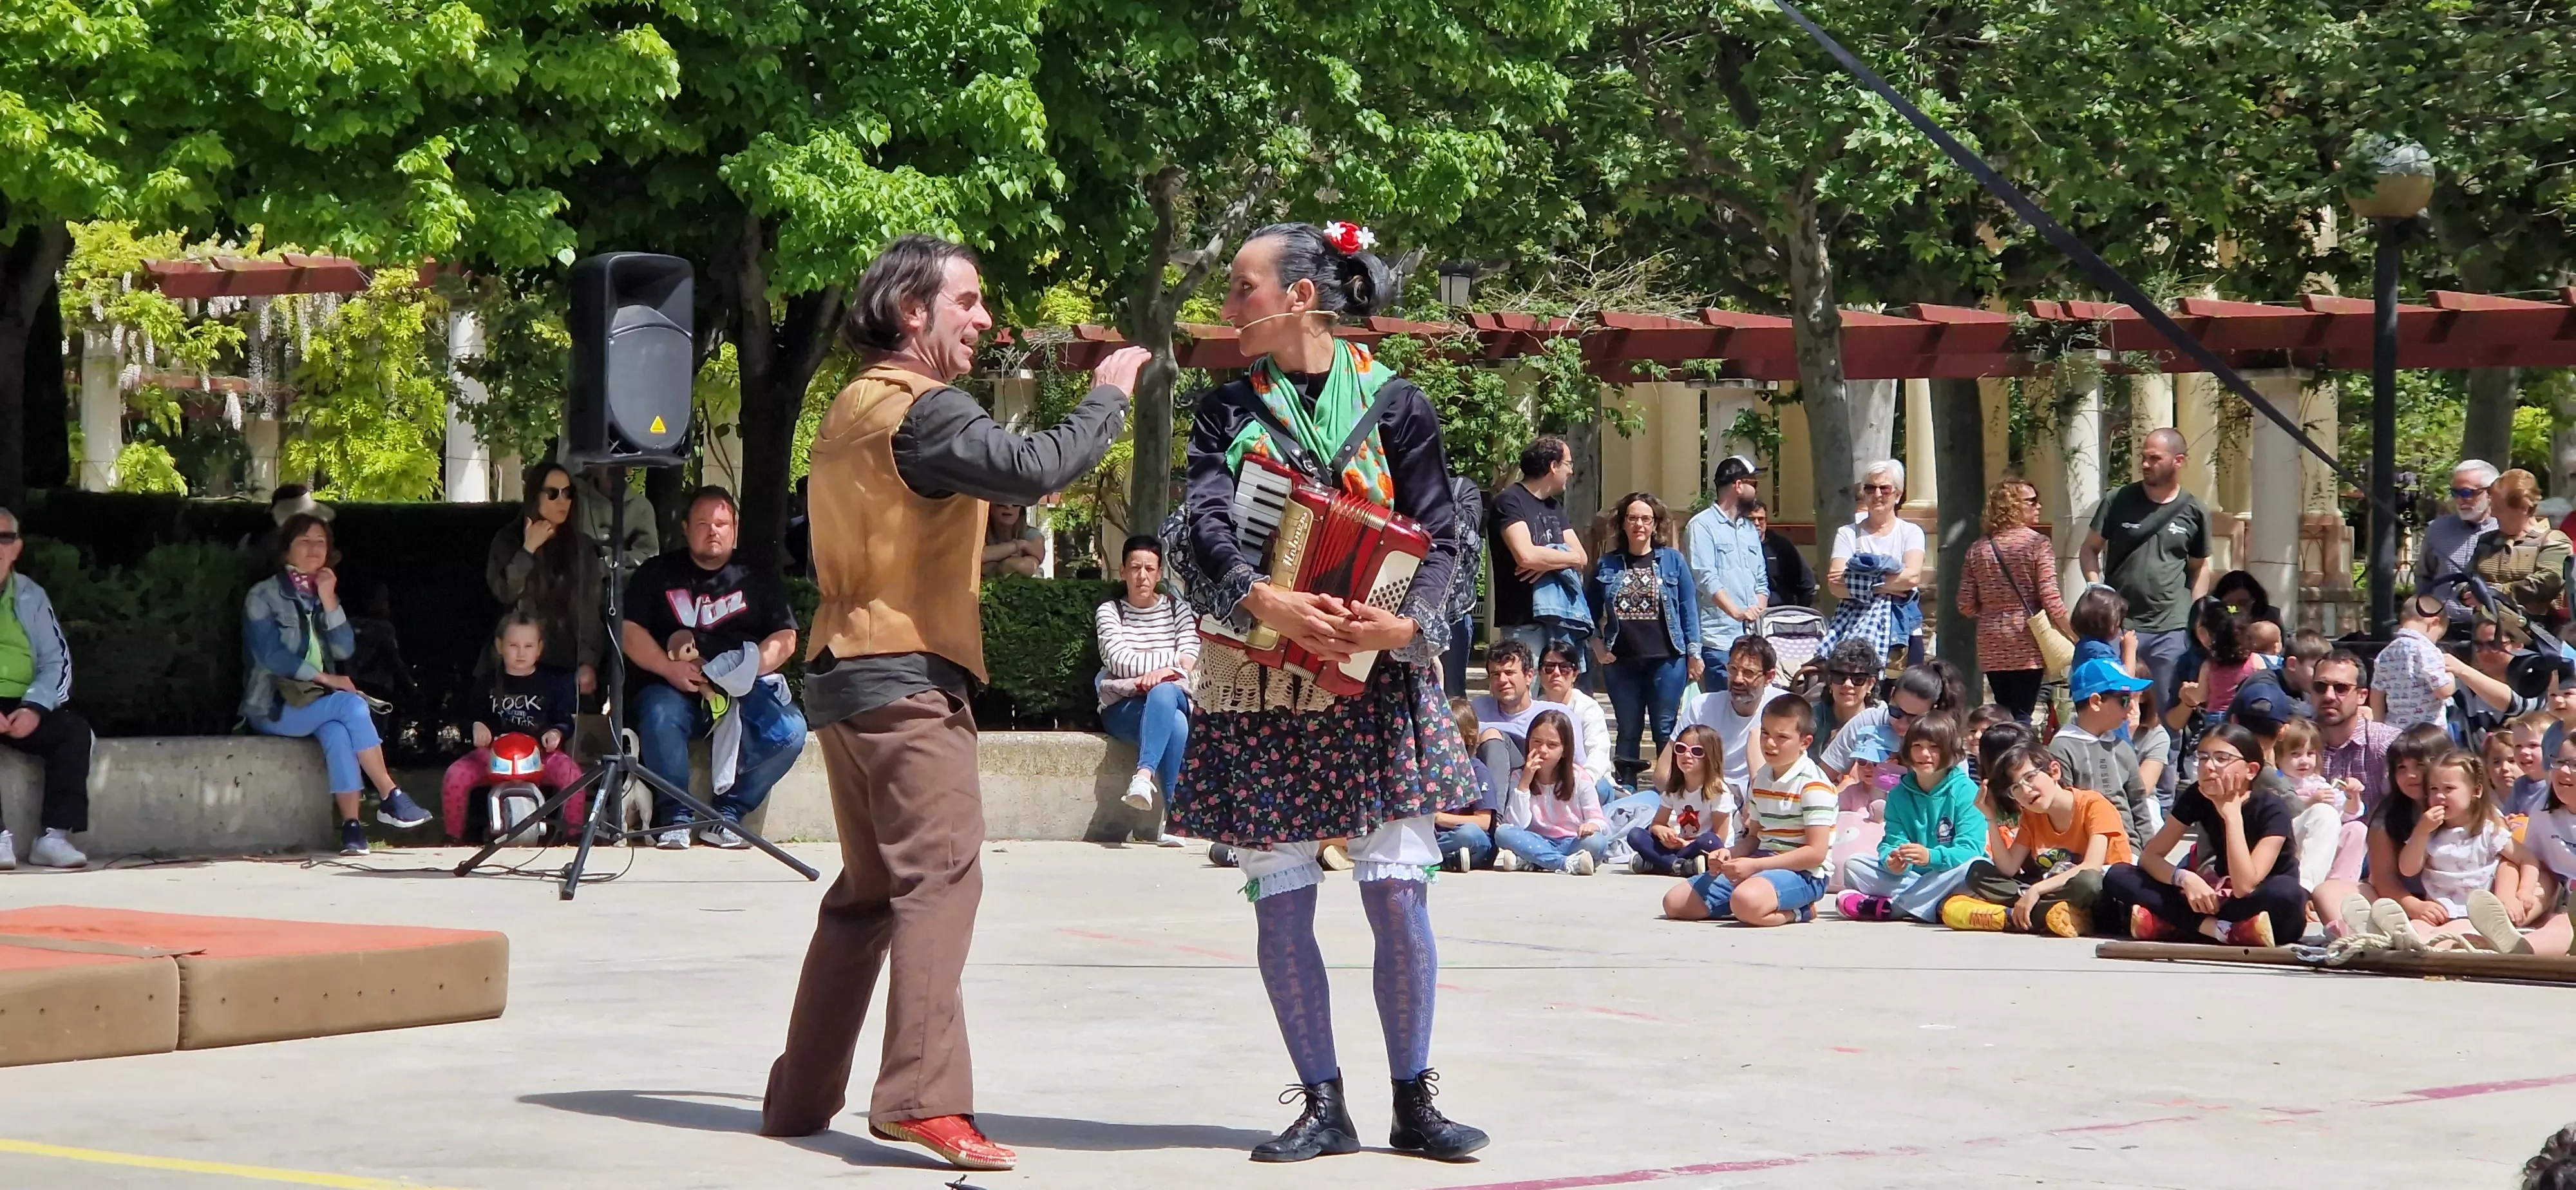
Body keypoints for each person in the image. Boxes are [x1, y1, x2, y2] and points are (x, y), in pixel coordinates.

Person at [761, 234, 1144, 1169]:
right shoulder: (924, 408)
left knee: (867, 896)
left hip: (846, 671)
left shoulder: (852, 403)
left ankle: (800, 1097)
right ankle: (920, 1098)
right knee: (939, 878)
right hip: (903, 678)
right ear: (912, 312)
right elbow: (1036, 467)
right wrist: (1109, 393)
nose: (984, 317)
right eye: (967, 301)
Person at [1160, 222, 1485, 1164]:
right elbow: (1203, 522)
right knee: (1281, 897)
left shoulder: (1396, 404)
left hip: (1374, 680)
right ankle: (1322, 1104)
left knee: (1398, 895)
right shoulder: (1227, 410)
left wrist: (1404, 628)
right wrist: (1262, 598)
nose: (1228, 306)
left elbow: (1442, 536)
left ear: (1300, 296)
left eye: (1242, 288)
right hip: (1263, 677)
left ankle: (1415, 1101)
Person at [621, 487, 806, 850]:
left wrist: (747, 671)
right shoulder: (657, 573)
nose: (713, 531)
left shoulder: (757, 575)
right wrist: (668, 669)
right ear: (686, 528)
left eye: (721, 524)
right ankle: (675, 818)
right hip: (674, 686)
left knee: (791, 731)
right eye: (703, 523)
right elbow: (629, 632)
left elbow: (785, 636)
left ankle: (727, 815)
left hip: (741, 687)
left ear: (734, 528)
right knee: (659, 713)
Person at [242, 515, 432, 856]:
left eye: (320, 542)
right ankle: (390, 794)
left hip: (314, 702)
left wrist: (329, 599)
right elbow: (271, 655)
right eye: (304, 541)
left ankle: (352, 828)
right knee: (351, 705)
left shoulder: (320, 593)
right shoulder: (263, 595)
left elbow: (344, 648)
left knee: (338, 732)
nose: (314, 548)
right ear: (286, 550)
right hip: (273, 705)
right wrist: (326, 678)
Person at [2105, 722, 2303, 946]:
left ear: (2251, 770)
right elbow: (2150, 857)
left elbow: (2245, 886)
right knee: (2119, 875)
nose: (2209, 766)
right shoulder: (2197, 795)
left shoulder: (2273, 808)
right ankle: (2221, 930)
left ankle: (2177, 924)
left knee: (2288, 894)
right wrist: (2184, 878)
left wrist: (2232, 816)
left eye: (2222, 758)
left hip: (2259, 900)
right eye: (2203, 757)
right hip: (2216, 901)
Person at [1661, 695, 1833, 927]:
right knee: (1675, 903)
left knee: (1746, 902)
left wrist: (1755, 866)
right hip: (1761, 865)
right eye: (1765, 733)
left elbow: (1816, 853)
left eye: (1782, 737)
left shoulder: (1814, 786)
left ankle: (1801, 911)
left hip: (1804, 875)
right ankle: (1749, 902)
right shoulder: (1762, 779)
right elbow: (1754, 838)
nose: (1770, 743)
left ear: (1805, 742)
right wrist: (1728, 854)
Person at [2081, 427, 2212, 724]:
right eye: (2143, 457)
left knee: (2165, 712)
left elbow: (2199, 566)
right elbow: (2089, 549)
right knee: (2113, 707)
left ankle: (2166, 758)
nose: (2145, 464)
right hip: (2119, 626)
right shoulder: (2118, 500)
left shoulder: (2194, 510)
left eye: (2155, 458)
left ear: (2178, 461)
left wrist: (2196, 615)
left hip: (2171, 627)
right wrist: (2096, 587)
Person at [1943, 742, 2132, 936]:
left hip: (2100, 896)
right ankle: (2051, 914)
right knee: (1977, 871)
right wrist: (1990, 818)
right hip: (2051, 890)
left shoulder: (2094, 805)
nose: (2025, 791)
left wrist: (2036, 891)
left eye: (2030, 777)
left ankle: (2010, 916)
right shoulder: (2032, 815)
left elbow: (2092, 866)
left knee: (2087, 881)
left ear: (2054, 771)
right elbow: (2008, 867)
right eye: (2015, 788)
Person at [2360, 750, 2533, 948]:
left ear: (2476, 791)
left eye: (2449, 789)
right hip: (2437, 912)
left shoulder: (2489, 831)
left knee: (2445, 937)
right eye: (2434, 789)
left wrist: (2525, 892)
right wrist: (2421, 832)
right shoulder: (2430, 833)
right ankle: (2389, 935)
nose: (2439, 796)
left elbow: (2527, 860)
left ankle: (2404, 943)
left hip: (2472, 915)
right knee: (2418, 928)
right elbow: (2408, 869)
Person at [1588, 491, 1701, 785]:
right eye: (1633, 518)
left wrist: (1694, 653)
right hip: (1620, 662)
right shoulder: (1607, 565)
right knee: (1628, 729)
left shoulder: (1673, 561)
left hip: (1668, 660)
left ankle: (1671, 791)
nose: (1639, 524)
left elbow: (1688, 608)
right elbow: (1587, 611)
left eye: (1646, 519)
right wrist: (1597, 644)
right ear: (1623, 523)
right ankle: (1627, 791)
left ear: (1655, 525)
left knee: (1665, 729)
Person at [440, 612, 584, 841]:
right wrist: (477, 726)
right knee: (455, 775)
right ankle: (454, 836)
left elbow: (565, 720)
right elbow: (469, 717)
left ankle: (573, 835)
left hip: (540, 755)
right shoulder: (486, 684)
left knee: (573, 775)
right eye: (513, 646)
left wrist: (556, 732)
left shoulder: (552, 685)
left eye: (528, 646)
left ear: (539, 649)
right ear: (500, 646)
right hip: (493, 755)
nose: (521, 653)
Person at [0, 507, 90, 869]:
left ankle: (54, 838)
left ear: (17, 548)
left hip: (24, 701)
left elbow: (57, 660)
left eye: (4, 539)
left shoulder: (31, 595)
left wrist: (35, 707)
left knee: (74, 733)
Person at [1834, 712, 1984, 923]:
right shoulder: (1898, 794)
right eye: (1917, 746)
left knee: (1975, 867)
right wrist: (1892, 861)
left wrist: (1931, 856)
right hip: (1913, 878)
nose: (1924, 754)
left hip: (1949, 874)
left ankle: (1894, 908)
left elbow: (1970, 849)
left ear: (1950, 750)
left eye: (1934, 747)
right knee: (1855, 865)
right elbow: (1892, 841)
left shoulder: (1966, 791)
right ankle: (1932, 905)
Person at [1095, 534, 1195, 845]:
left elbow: (1193, 658)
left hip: (1174, 695)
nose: (1142, 576)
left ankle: (1143, 777)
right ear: (1123, 571)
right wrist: (1170, 665)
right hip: (1123, 705)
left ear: (1160, 573)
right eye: (1135, 568)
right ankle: (1177, 822)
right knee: (1175, 722)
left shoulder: (1179, 610)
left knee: (1163, 693)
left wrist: (1164, 673)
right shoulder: (1110, 611)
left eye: (1150, 569)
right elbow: (1118, 660)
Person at [484, 461, 604, 699]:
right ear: (534, 496)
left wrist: (589, 662)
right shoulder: (508, 540)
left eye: (568, 493)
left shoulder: (583, 547)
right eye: (552, 493)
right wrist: (528, 550)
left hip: (569, 663)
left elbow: (591, 611)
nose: (563, 501)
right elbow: (505, 592)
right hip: (519, 662)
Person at [1956, 477, 2070, 722]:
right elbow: (2050, 598)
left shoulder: (1978, 549)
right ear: (2012, 506)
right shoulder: (2037, 544)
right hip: (2026, 638)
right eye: (2032, 501)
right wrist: (2075, 634)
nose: (2039, 506)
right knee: (2022, 715)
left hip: (1991, 640)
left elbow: (1965, 603)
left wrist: (1990, 612)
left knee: (2003, 713)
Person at [2471, 731, 2576, 954]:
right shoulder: (2542, 808)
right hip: (2561, 891)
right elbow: (2530, 859)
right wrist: (2516, 895)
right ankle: (2508, 922)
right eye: (2560, 762)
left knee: (2563, 922)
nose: (2564, 771)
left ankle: (2521, 949)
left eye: (2575, 765)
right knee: (2541, 875)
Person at [1490, 435, 1589, 667]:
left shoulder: (1554, 507)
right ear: (1553, 466)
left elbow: (1582, 557)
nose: (1571, 472)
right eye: (1568, 464)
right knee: (1523, 688)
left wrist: (1547, 563)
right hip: (1523, 622)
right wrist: (1560, 559)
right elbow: (1526, 556)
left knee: (1560, 690)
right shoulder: (1510, 501)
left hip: (1561, 620)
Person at [1821, 459, 1925, 666]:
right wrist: (1887, 586)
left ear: (1898, 495)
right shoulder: (1847, 533)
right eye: (1870, 488)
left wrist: (1858, 582)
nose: (1877, 495)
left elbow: (1912, 578)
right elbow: (1835, 585)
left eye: (1884, 489)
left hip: (1903, 632)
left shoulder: (1911, 532)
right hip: (1855, 631)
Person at [2047, 659, 2156, 851]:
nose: (2132, 708)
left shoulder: (2122, 747)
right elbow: (2063, 811)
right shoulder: (2062, 748)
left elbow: (2139, 805)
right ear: (2096, 702)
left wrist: (2150, 852)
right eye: (2124, 700)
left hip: (2130, 850)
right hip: (2086, 852)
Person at [1669, 635, 1786, 807]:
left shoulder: (1784, 708)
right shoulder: (1701, 706)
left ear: (1769, 677)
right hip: (1703, 797)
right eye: (1733, 670)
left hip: (1759, 801)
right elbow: (1663, 773)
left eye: (1748, 673)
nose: (1738, 679)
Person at [1492, 711, 1607, 874]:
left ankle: (1534, 861)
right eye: (1537, 742)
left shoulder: (1579, 777)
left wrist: (1592, 826)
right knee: (1503, 832)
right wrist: (1525, 783)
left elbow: (1599, 821)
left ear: (1565, 750)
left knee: (1598, 843)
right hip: (1536, 840)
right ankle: (1563, 863)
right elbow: (1517, 824)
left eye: (1552, 745)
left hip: (1571, 841)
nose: (1542, 750)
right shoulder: (1519, 776)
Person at [1686, 455, 1769, 665]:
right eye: (1753, 483)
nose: (1757, 490)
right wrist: (1737, 613)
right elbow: (1706, 578)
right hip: (1719, 643)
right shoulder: (1702, 526)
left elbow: (1761, 580)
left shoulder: (1749, 529)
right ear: (1738, 485)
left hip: (1753, 641)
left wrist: (1757, 612)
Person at [2473, 468, 2573, 638]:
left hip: (2534, 637)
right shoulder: (2487, 541)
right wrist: (2466, 592)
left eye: (2499, 508)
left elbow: (2548, 581)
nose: (2493, 514)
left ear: (2524, 509)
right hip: (2485, 636)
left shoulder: (2552, 541)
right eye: (2492, 507)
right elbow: (2469, 577)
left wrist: (2496, 592)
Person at [1628, 724, 1732, 876]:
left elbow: (1720, 837)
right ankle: (1680, 866)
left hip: (1705, 847)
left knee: (1709, 840)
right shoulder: (1674, 788)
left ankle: (1660, 864)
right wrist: (1663, 832)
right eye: (1681, 749)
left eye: (1697, 751)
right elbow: (1657, 824)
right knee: (1636, 835)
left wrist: (1687, 844)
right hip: (1680, 846)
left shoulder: (1718, 791)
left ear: (1710, 757)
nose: (1687, 755)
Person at [1467, 639, 1571, 782]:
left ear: (1529, 676)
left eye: (1509, 673)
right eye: (1496, 674)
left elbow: (1577, 766)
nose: (1502, 680)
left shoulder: (1554, 714)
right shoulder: (1478, 709)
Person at [2272, 717, 2354, 893]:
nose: (2304, 761)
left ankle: (2338, 887)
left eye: (2310, 754)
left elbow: (2348, 814)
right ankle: (2304, 888)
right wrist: (2310, 802)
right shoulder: (2278, 779)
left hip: (2318, 840)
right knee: (2323, 813)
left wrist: (2352, 796)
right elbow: (2277, 810)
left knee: (2356, 829)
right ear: (2278, 757)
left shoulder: (2318, 783)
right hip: (2286, 837)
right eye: (2295, 754)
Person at [2419, 458, 2501, 622]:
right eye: (2455, 493)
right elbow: (2423, 576)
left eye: (2467, 493)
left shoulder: (2505, 530)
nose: (2460, 500)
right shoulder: (2437, 529)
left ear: (2491, 493)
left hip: (2491, 626)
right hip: (2441, 625)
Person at [2373, 594, 2457, 731]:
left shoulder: (2385, 654)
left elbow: (2377, 694)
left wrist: (2380, 726)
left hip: (2396, 731)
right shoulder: (2427, 650)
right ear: (2434, 623)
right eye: (2438, 636)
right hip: (2428, 733)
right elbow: (2444, 691)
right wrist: (2451, 674)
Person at [1437, 699, 1497, 873]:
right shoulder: (1431, 769)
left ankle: (1434, 857)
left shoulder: (1477, 770)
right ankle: (1447, 860)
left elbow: (1484, 822)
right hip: (1437, 837)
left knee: (1469, 833)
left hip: (1471, 840)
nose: (1445, 741)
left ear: (1468, 738)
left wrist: (1439, 818)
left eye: (1452, 735)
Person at [1808, 638, 1882, 762]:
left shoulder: (1882, 723)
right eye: (1839, 677)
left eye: (1858, 679)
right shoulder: (1811, 718)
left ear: (1871, 684)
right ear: (1830, 681)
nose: (1847, 684)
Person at [1746, 500, 1815, 609]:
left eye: (1761, 519)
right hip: (1746, 610)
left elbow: (1806, 583)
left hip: (1779, 610)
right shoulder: (1736, 546)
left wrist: (1798, 611)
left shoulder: (1781, 546)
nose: (1757, 523)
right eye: (1751, 519)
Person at [982, 504, 1045, 578]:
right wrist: (1017, 546)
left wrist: (997, 563)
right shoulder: (979, 533)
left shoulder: (1031, 534)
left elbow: (1031, 565)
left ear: (1021, 510)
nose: (1008, 507)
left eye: (1015, 504)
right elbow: (980, 555)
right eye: (1001, 503)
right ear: (990, 507)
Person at [2209, 569, 2283, 627]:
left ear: (2255, 600)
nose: (2236, 609)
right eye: (2228, 605)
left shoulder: (2271, 617)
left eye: (2243, 603)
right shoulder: (2212, 619)